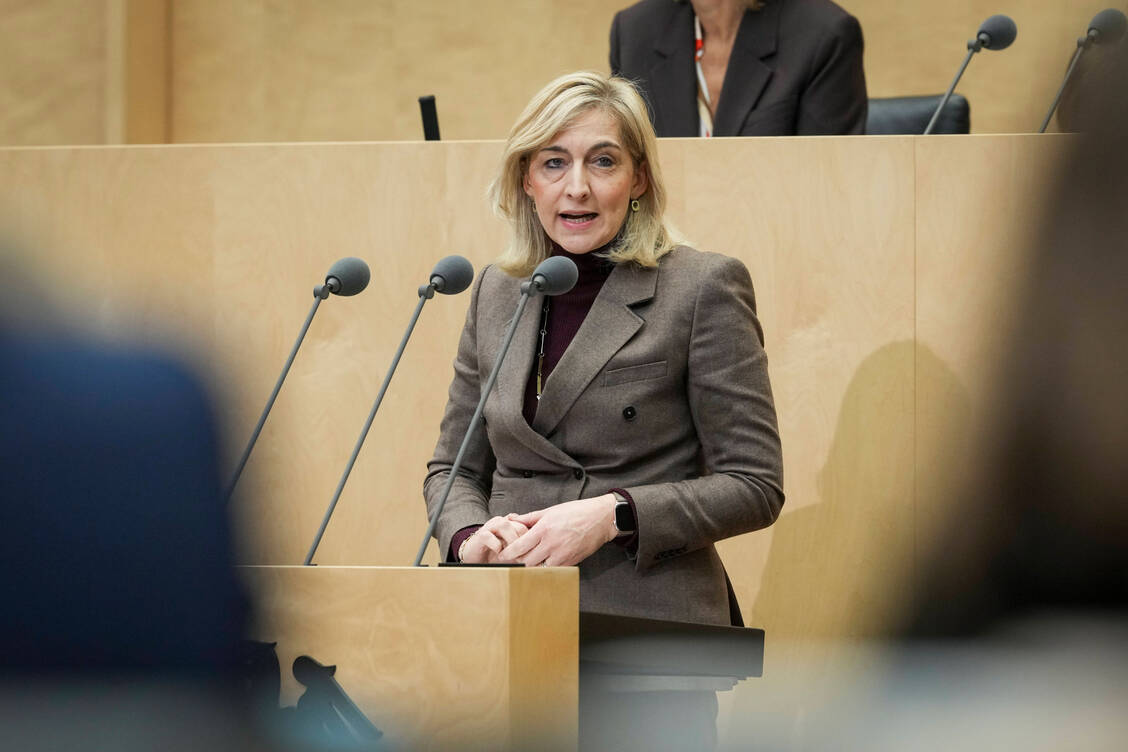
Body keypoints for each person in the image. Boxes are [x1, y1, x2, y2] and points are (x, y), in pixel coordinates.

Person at [423, 71, 784, 629]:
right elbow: (454, 469)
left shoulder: (701, 287)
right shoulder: (497, 290)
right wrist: (470, 536)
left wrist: (614, 514)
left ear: (638, 177)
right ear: (526, 179)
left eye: (603, 161)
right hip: (501, 619)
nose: (577, 188)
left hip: (645, 625)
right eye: (554, 162)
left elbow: (754, 484)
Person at [610, 0, 867, 137]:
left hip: (776, 229)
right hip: (665, 233)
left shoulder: (825, 35)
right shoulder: (635, 31)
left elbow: (823, 183)